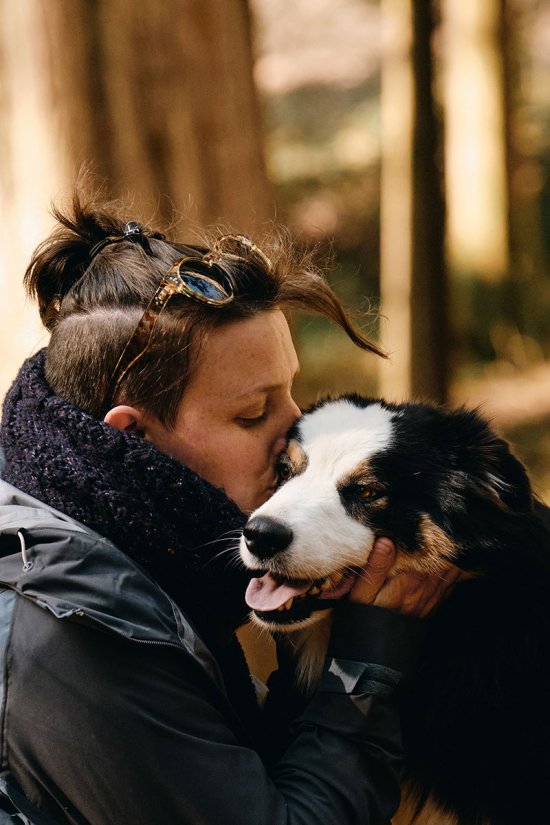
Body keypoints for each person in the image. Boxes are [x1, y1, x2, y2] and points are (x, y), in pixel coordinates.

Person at [0, 191, 458, 825]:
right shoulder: (76, 633)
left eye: (292, 396)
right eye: (252, 414)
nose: (296, 432)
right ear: (130, 437)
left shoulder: (125, 544)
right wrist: (366, 664)